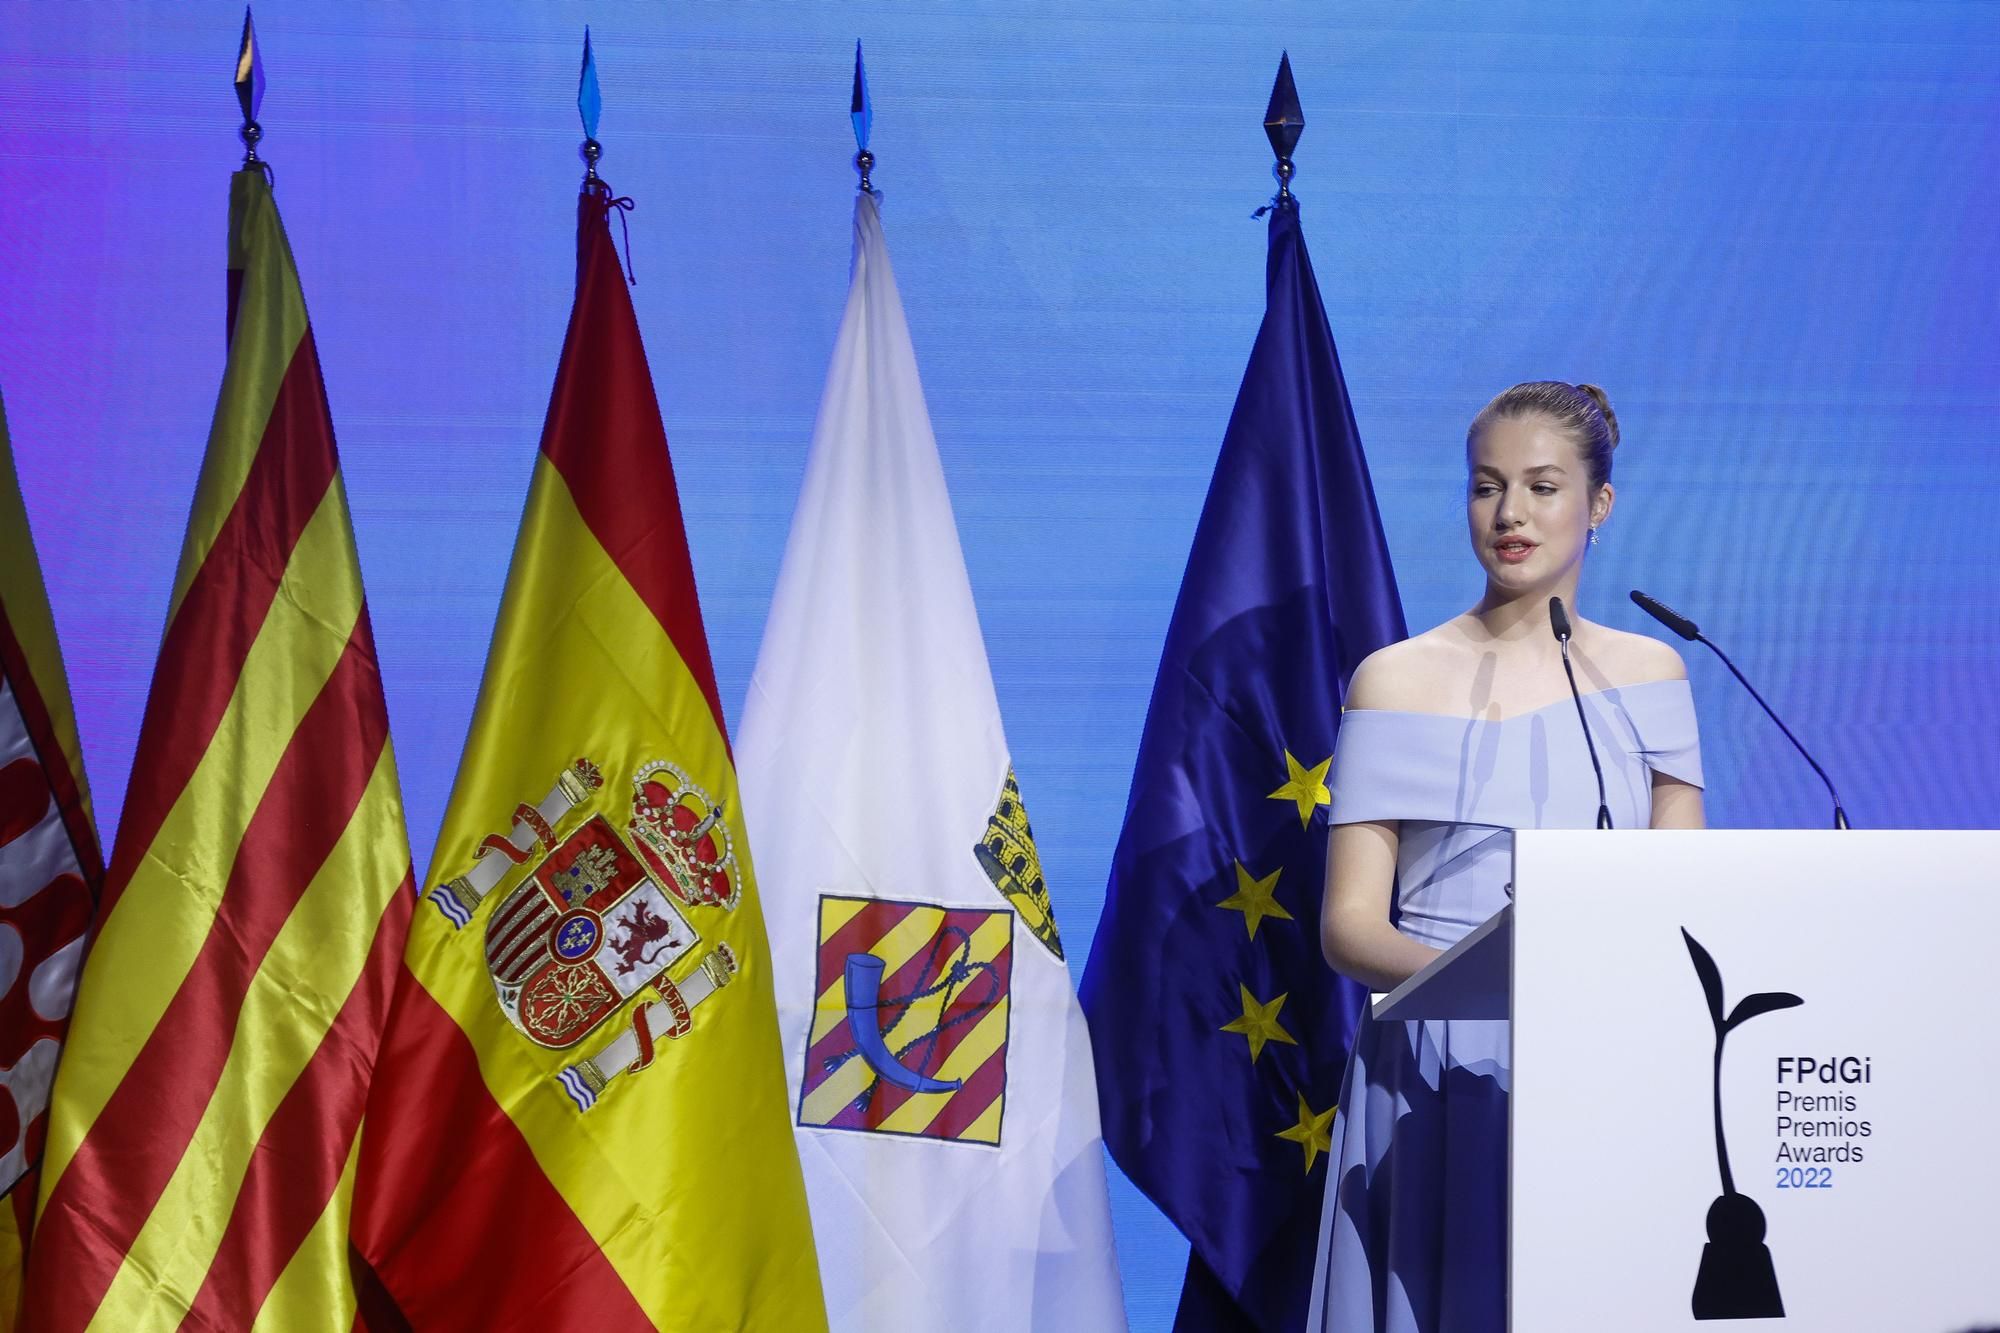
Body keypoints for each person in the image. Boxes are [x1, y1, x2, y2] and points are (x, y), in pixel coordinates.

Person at [1306, 381, 1705, 1332]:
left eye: (1541, 486)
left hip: (1603, 1053)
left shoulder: (1654, 674)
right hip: (1430, 1068)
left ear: (1598, 503)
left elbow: (1686, 896)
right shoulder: (1395, 676)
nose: (1510, 514)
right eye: (1488, 487)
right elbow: (1350, 926)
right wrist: (1496, 973)